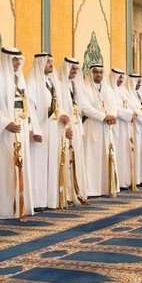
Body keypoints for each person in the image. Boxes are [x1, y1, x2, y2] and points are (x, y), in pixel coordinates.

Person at [0, 47, 39, 219]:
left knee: (20, 168)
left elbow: (26, 105)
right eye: (14, 60)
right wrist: (6, 123)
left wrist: (30, 127)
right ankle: (1, 209)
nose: (17, 64)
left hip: (19, 129)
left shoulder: (19, 78)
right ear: (6, 60)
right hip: (3, 133)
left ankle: (19, 205)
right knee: (2, 170)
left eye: (19, 60)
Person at [27, 53, 69, 209]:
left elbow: (58, 104)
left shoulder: (52, 82)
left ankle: (50, 200)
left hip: (53, 128)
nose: (51, 65)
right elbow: (29, 107)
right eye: (48, 62)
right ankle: (38, 201)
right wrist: (35, 129)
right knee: (38, 165)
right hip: (40, 130)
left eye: (52, 62)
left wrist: (63, 116)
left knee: (51, 164)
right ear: (40, 63)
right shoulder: (32, 82)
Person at [81, 64, 119, 197]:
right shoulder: (84, 88)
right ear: (91, 74)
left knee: (106, 157)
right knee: (92, 158)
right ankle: (92, 189)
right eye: (96, 72)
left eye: (101, 72)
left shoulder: (107, 88)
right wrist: (103, 116)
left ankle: (105, 188)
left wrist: (112, 115)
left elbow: (114, 104)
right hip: (92, 127)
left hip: (106, 127)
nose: (98, 75)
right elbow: (85, 108)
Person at [57, 57, 87, 204]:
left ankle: (77, 191)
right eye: (72, 68)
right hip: (66, 127)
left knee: (77, 160)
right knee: (68, 160)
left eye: (76, 69)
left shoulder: (75, 85)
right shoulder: (60, 85)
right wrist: (67, 128)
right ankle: (67, 194)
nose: (74, 72)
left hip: (77, 126)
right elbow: (59, 108)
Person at [110, 69, 135, 190]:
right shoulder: (110, 90)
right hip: (116, 126)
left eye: (121, 78)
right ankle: (117, 182)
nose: (120, 80)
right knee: (117, 152)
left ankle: (124, 181)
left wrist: (131, 113)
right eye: (118, 78)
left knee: (124, 153)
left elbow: (130, 106)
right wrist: (129, 114)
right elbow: (115, 109)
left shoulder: (123, 91)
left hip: (125, 126)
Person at [126, 73, 142, 186]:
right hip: (135, 126)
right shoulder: (128, 94)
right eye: (137, 82)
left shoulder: (139, 94)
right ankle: (136, 179)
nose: (139, 84)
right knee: (136, 152)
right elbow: (134, 110)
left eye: (140, 82)